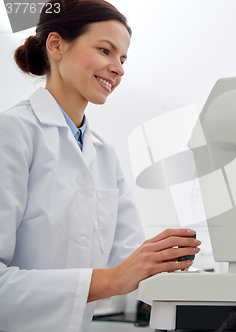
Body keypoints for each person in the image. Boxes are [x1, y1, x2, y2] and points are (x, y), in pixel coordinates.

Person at [0, 1, 200, 331]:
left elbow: (130, 265)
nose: (118, 68)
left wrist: (181, 272)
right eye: (105, 50)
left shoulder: (104, 155)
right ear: (56, 45)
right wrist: (113, 279)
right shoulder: (13, 133)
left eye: (122, 59)